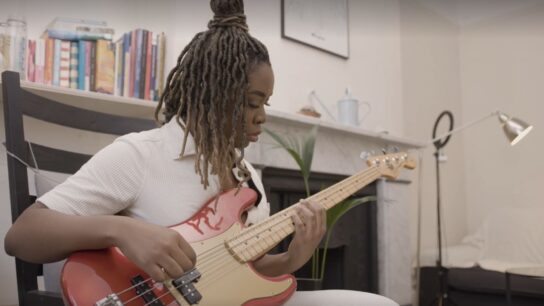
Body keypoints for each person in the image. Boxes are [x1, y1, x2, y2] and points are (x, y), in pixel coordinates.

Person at [4, 0, 398, 305]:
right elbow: (22, 236)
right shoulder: (141, 155)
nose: (262, 117)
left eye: (266, 104)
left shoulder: (247, 176)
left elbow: (244, 272)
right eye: (250, 102)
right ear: (210, 93)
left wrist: (293, 257)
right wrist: (120, 228)